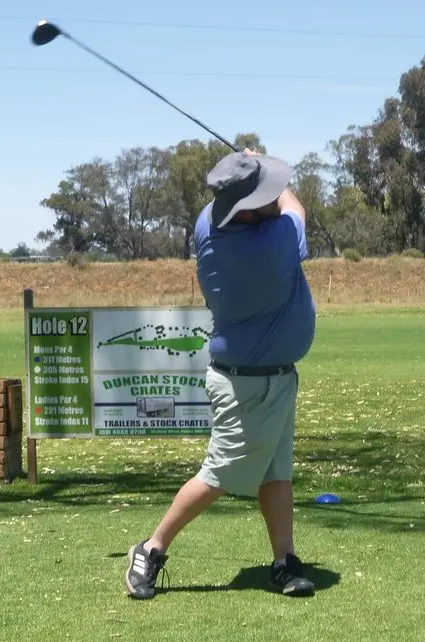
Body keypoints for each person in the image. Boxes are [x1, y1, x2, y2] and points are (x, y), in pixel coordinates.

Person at [124, 148, 317, 600]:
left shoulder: (209, 224)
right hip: (247, 385)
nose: (273, 198)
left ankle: (284, 561)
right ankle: (151, 548)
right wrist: (263, 166)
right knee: (220, 474)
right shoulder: (270, 245)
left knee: (277, 473)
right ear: (249, 211)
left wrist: (247, 171)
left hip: (272, 378)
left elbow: (259, 203)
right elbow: (295, 207)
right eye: (263, 195)